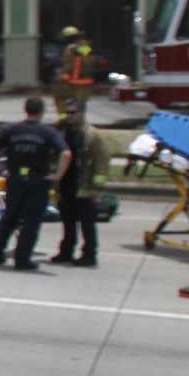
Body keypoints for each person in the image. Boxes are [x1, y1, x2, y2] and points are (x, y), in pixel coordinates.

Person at [0, 95, 71, 271]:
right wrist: (57, 175)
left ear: (26, 109)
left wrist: (1, 168)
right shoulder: (47, 132)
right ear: (41, 111)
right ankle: (22, 259)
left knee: (9, 218)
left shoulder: (11, 129)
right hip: (37, 181)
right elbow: (66, 154)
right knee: (31, 222)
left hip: (16, 179)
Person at [50, 103, 107, 267]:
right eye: (66, 113)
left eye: (72, 113)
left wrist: (97, 188)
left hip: (84, 185)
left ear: (82, 113)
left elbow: (101, 161)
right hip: (65, 184)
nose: (69, 116)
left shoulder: (91, 134)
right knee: (67, 221)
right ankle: (66, 252)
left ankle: (89, 254)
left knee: (87, 223)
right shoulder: (62, 132)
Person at [56, 25, 96, 109]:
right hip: (82, 81)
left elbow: (69, 64)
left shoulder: (73, 48)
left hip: (76, 81)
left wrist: (63, 75)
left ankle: (72, 119)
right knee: (78, 104)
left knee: (73, 104)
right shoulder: (80, 46)